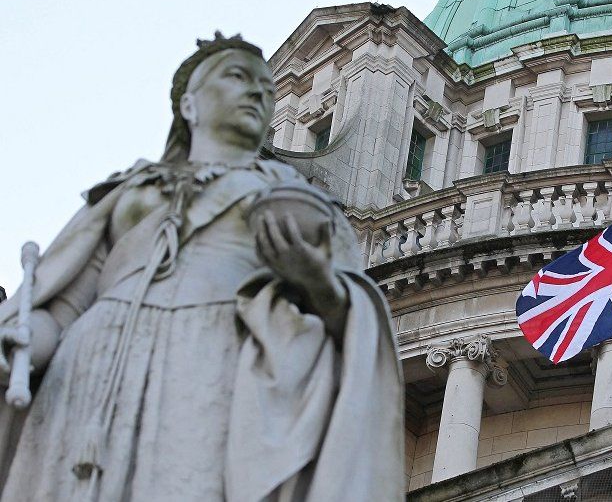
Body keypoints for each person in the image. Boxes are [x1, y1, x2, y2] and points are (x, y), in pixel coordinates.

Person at [0, 33, 403, 501]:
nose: (257, 93)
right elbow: (63, 306)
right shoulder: (127, 191)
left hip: (214, 360)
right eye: (238, 77)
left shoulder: (300, 202)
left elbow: (351, 324)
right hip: (92, 368)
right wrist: (19, 341)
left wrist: (316, 282)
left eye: (267, 90)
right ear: (189, 105)